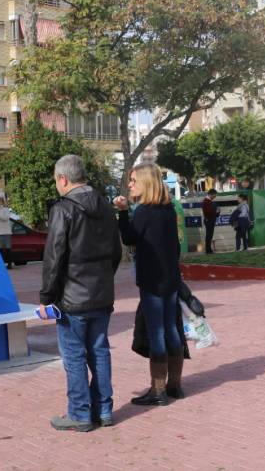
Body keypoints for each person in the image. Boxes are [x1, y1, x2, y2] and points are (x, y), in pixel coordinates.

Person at [41, 154, 122, 432]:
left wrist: (46, 297)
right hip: (101, 293)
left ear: (63, 179)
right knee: (99, 351)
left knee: (74, 355)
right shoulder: (105, 206)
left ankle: (80, 413)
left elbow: (54, 256)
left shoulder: (63, 209)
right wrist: (102, 280)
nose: (56, 185)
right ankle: (104, 409)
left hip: (72, 298)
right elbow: (116, 251)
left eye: (56, 180)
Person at [114, 163, 184, 407]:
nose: (130, 184)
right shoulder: (167, 210)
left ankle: (158, 390)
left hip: (153, 281)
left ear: (145, 182)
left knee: (157, 332)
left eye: (133, 180)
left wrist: (122, 212)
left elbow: (129, 238)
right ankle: (175, 384)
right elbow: (175, 247)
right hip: (170, 278)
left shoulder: (144, 211)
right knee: (171, 329)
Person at [202, 189, 220, 254]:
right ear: (211, 194)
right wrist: (215, 211)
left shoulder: (210, 202)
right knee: (208, 235)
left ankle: (209, 249)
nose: (215, 197)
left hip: (211, 220)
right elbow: (207, 212)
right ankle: (208, 250)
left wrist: (217, 211)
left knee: (210, 235)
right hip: (209, 220)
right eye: (214, 195)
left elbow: (215, 213)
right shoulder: (206, 201)